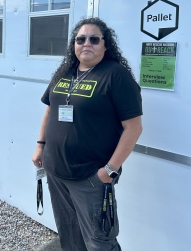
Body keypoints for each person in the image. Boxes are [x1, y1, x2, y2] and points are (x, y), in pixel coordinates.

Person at [32, 17, 143, 251]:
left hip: (90, 177)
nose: (86, 44)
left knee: (99, 241)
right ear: (74, 43)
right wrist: (40, 146)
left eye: (94, 39)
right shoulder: (64, 72)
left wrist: (109, 171)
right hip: (56, 171)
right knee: (70, 234)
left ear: (106, 44)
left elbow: (133, 128)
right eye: (81, 39)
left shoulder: (116, 75)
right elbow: (50, 110)